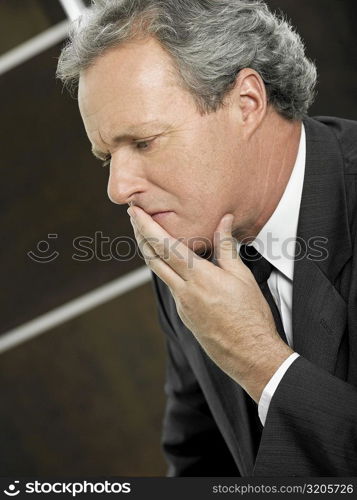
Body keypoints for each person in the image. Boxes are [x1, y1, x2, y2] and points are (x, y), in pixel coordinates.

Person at [57, 0, 357, 476]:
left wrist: (259, 361)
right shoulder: (187, 244)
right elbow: (200, 462)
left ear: (246, 104)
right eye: (105, 156)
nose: (117, 190)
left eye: (144, 142)